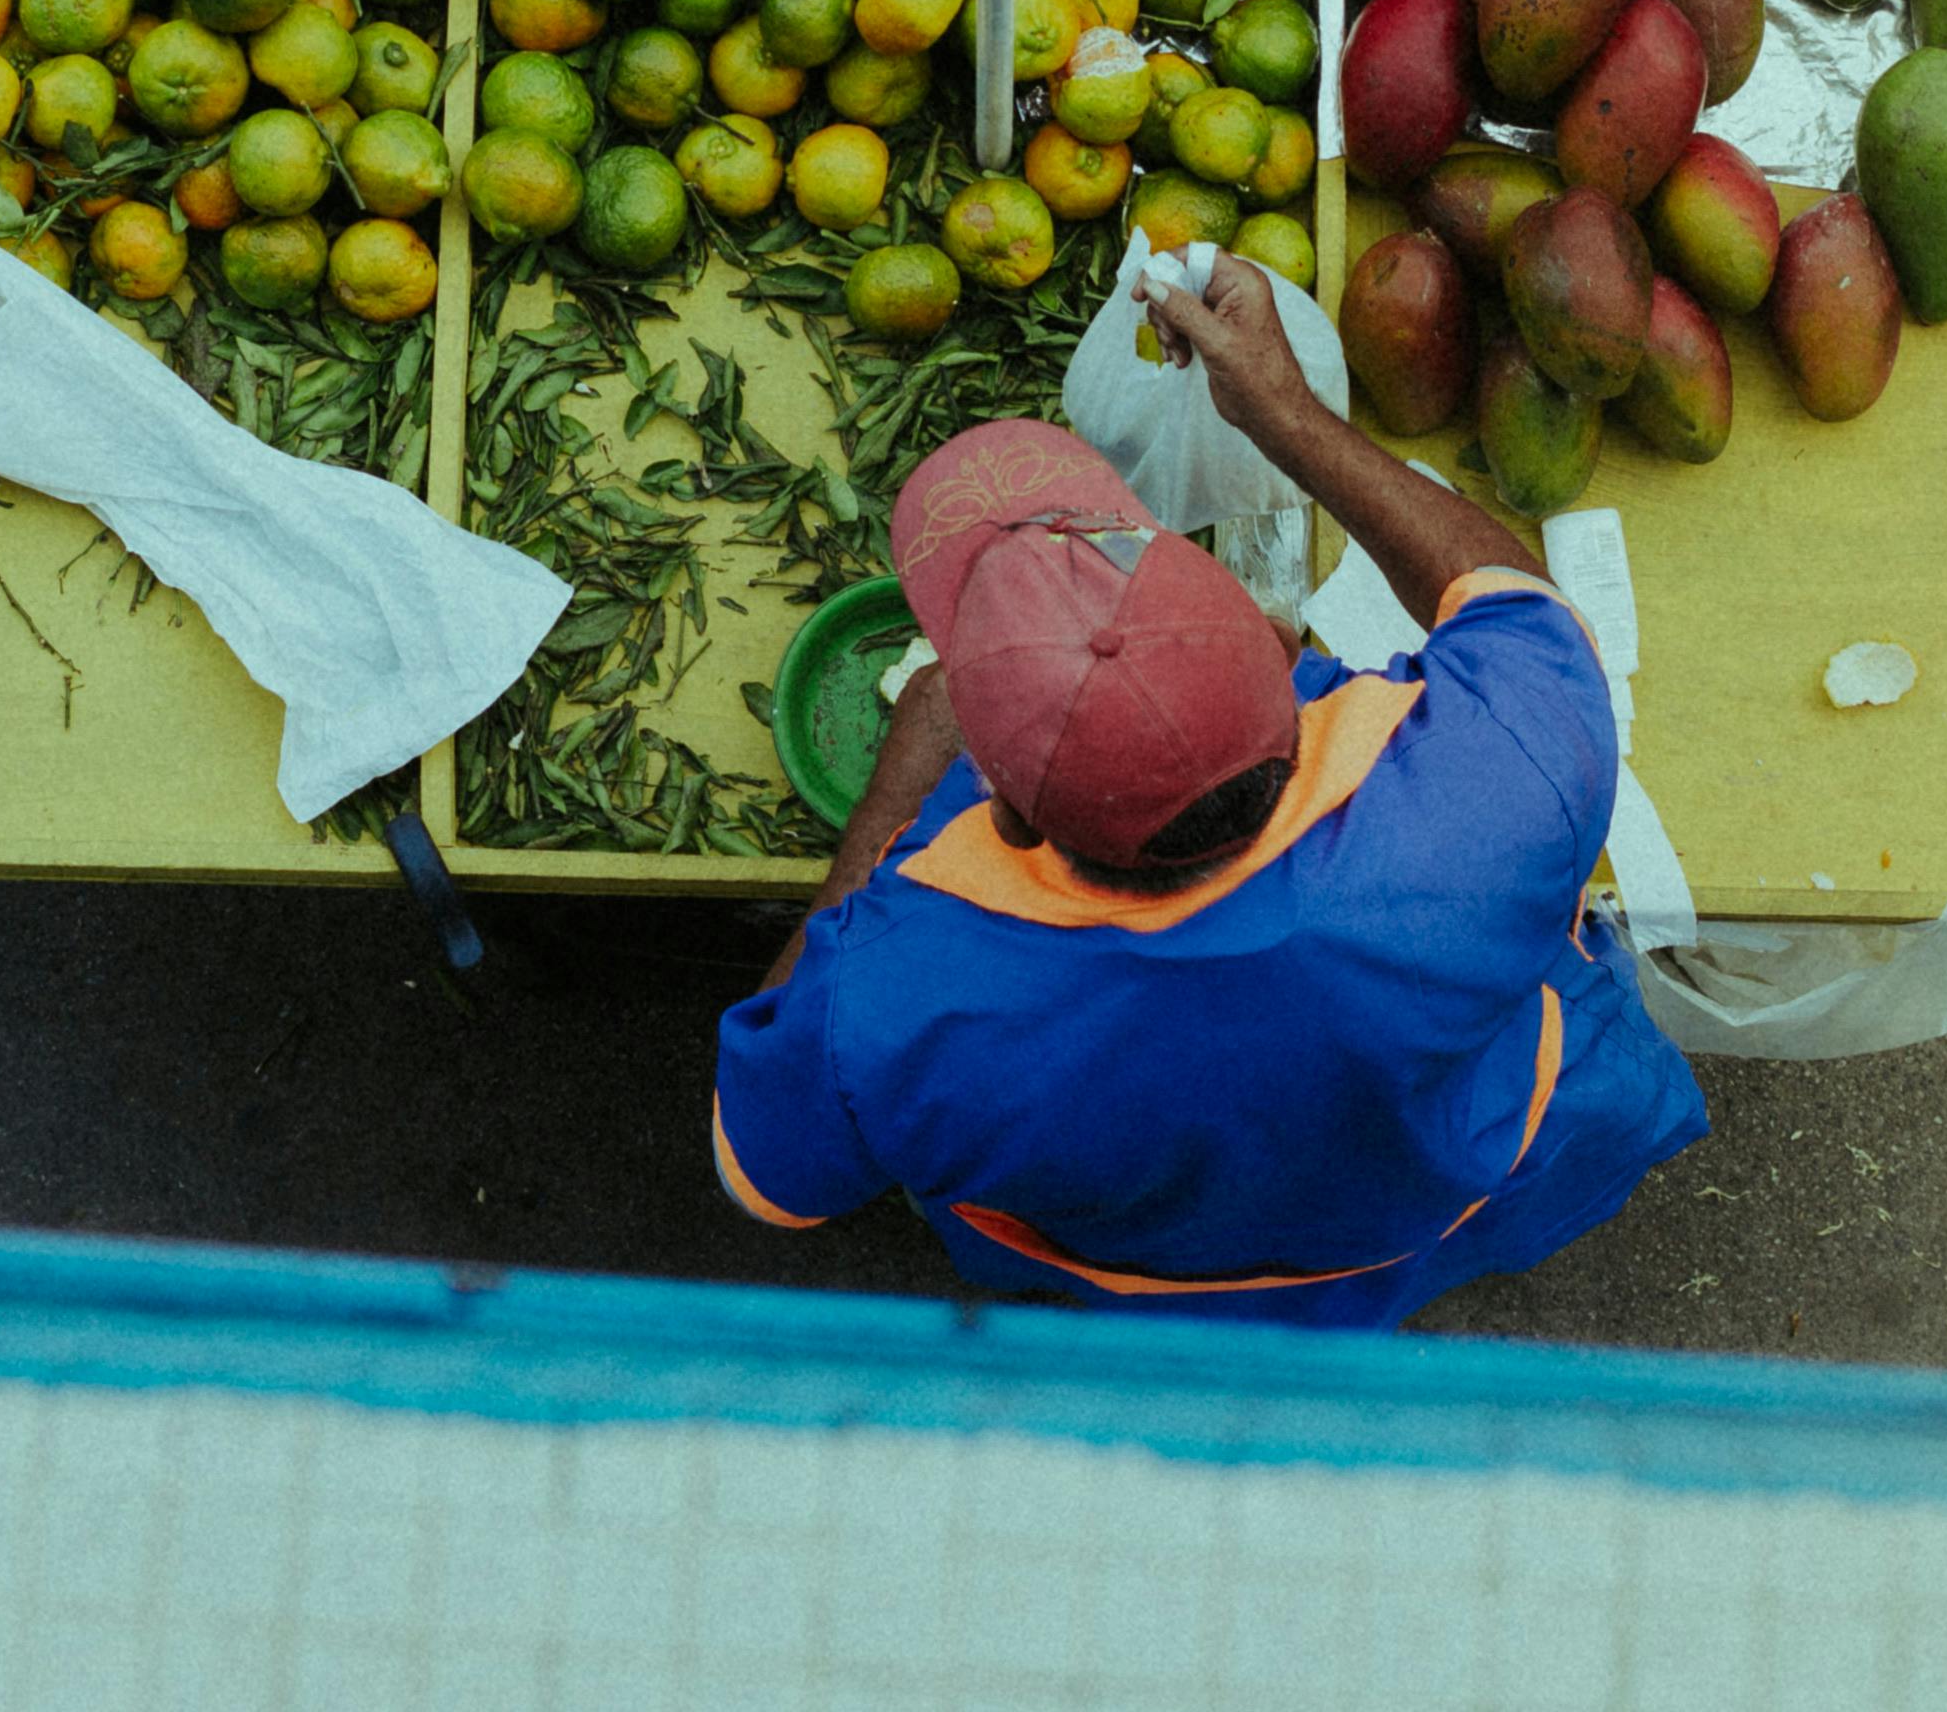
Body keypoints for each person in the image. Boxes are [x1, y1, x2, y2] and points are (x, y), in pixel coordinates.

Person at [707, 255, 1704, 1325]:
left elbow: (759, 1170)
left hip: (1153, 1266)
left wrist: (903, 775)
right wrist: (1286, 414)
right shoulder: (1488, 786)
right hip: (1445, 1186)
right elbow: (1513, 603)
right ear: (1284, 656)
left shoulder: (898, 1000)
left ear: (1005, 808)